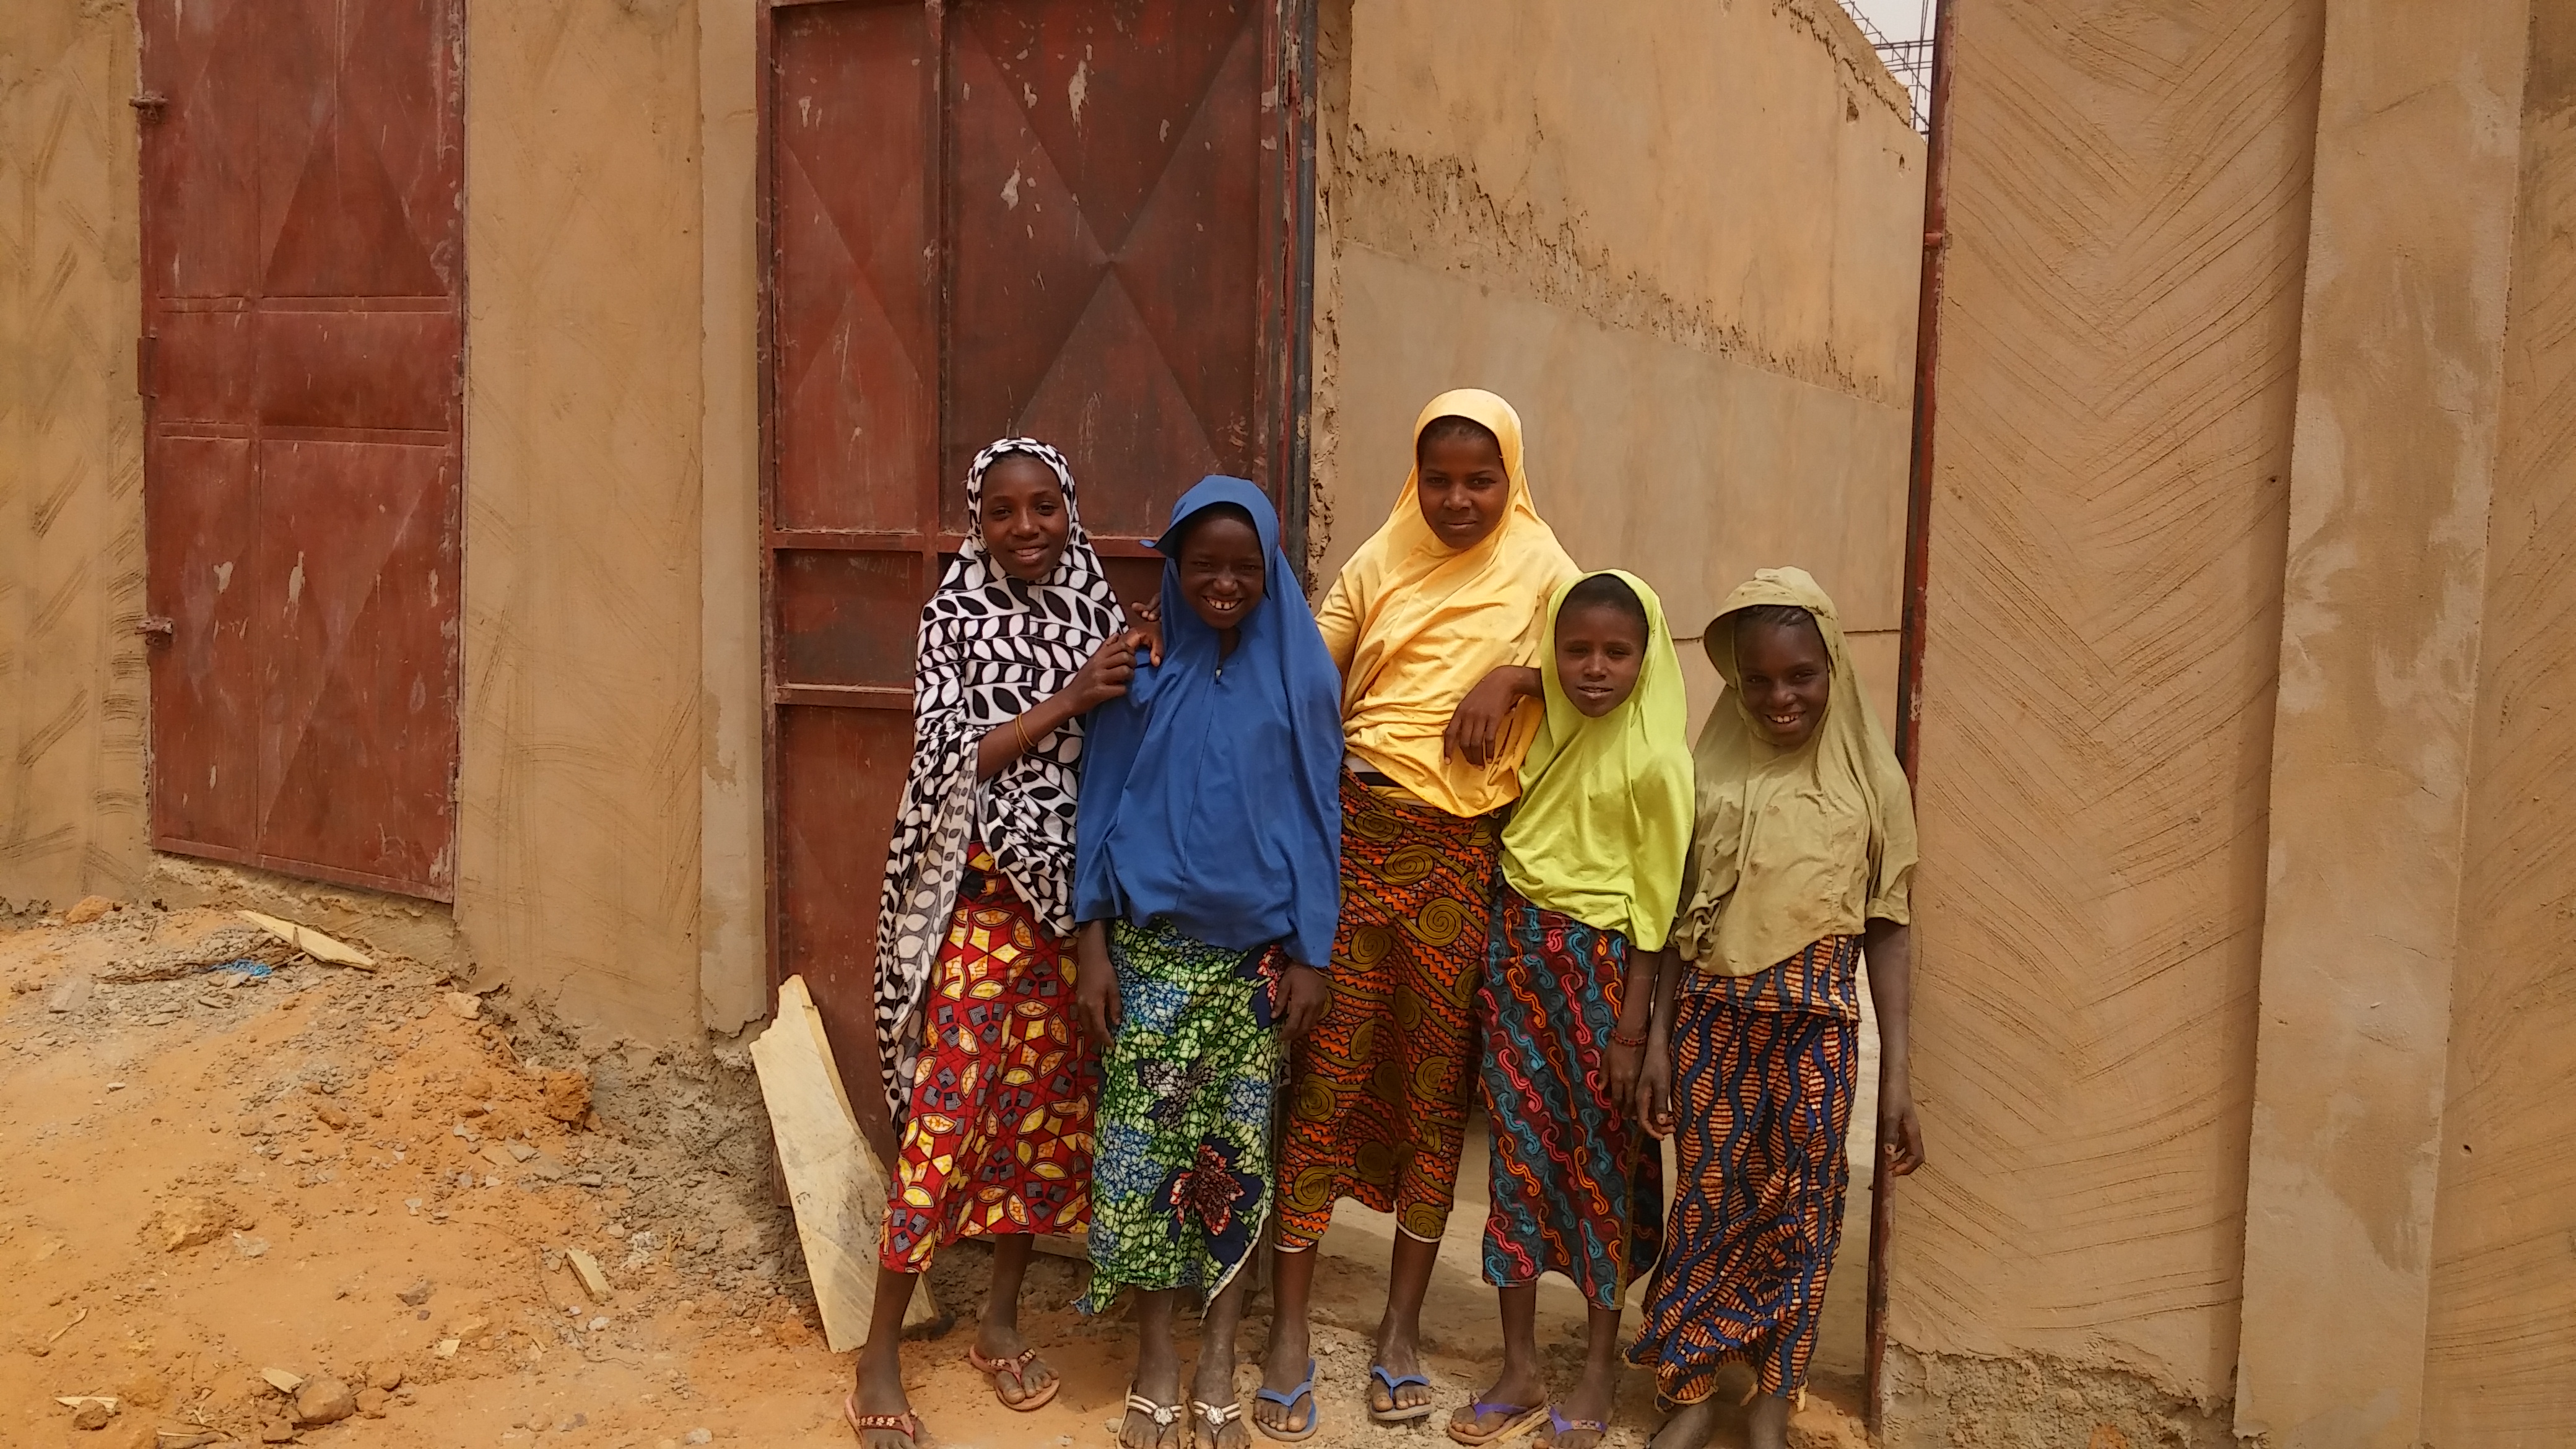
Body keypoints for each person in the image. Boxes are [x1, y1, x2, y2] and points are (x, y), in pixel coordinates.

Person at [1257, 389, 1581, 1440]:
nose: (1455, 499)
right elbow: (1312, 670)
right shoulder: (1382, 557)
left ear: (1512, 478)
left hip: (1459, 863)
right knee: (1329, 1071)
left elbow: (1618, 663)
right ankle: (1291, 1332)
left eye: (1478, 480)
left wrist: (1514, 673)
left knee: (1435, 1093)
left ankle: (1399, 1329)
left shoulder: (1545, 573)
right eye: (1437, 478)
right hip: (1359, 837)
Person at [848, 438, 1143, 1449]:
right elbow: (946, 761)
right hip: (979, 909)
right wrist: (1069, 698)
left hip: (1072, 919)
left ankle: (1001, 1324)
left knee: (1045, 1130)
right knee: (944, 1123)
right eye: (1004, 511)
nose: (1027, 528)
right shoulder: (956, 615)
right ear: (978, 521)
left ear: (1071, 508)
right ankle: (878, 1355)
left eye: (1045, 507)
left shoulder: (1099, 612)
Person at [1621, 568, 1926, 1449]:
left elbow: (1890, 930)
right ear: (1733, 681)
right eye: (1757, 680)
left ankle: (1771, 1394)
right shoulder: (1707, 776)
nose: (1780, 695)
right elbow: (1679, 925)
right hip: (1714, 1021)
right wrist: (1656, 1047)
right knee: (1709, 1202)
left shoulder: (1874, 787)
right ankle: (1689, 1391)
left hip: (1819, 1030)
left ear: (1832, 667)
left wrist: (1899, 1075)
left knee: (1806, 1207)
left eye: (1800, 675)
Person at [1071, 476, 1344, 1449]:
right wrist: (1090, 945)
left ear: (1270, 572)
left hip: (1255, 971)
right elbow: (1097, 812)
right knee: (1147, 1164)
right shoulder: (1138, 674)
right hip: (1149, 962)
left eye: (1244, 567)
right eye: (1204, 566)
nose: (1223, 584)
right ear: (1174, 572)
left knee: (1236, 1170)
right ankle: (1155, 1357)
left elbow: (1321, 816)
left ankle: (1221, 1360)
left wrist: (1312, 952)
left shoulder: (1302, 676)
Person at [1448, 572, 1692, 1449]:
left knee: (1599, 1168)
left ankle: (1596, 1369)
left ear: (1647, 657)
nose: (1594, 670)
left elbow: (1657, 918)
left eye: (1616, 654)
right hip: (1519, 958)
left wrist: (1631, 1031)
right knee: (1516, 1158)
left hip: (1602, 976)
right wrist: (1520, 678)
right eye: (1576, 651)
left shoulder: (1659, 760)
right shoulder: (1545, 725)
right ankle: (1517, 1367)